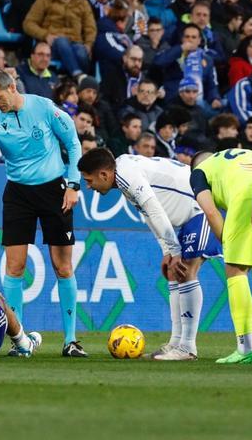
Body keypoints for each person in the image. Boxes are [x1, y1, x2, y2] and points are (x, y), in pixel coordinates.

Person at [0, 70, 86, 358]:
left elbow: (73, 144)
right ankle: (20, 342)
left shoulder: (43, 107)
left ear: (12, 87)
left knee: (62, 266)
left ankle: (70, 340)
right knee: (14, 267)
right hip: (18, 195)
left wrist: (73, 185)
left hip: (55, 191)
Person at [78, 148, 221, 361]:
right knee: (175, 274)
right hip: (188, 215)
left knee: (187, 270)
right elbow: (149, 215)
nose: (89, 187)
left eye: (89, 181)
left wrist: (175, 251)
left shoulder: (127, 175)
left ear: (104, 175)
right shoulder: (123, 171)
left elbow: (155, 210)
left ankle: (188, 348)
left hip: (200, 206)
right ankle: (176, 342)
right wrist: (167, 251)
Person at [189, 148, 252, 364]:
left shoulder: (199, 173)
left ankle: (244, 348)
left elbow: (211, 212)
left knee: (236, 271)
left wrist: (227, 243)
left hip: (247, 195)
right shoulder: (242, 154)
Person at [23, 0, 97, 81]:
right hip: (52, 44)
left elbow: (90, 27)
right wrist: (45, 35)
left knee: (81, 52)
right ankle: (78, 76)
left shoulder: (83, 3)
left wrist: (88, 44)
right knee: (61, 41)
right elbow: (28, 23)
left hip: (75, 42)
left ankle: (78, 80)